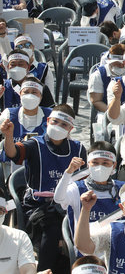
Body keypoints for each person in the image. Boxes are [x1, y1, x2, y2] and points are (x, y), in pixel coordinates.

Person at [2, 105, 86, 272]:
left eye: (64, 124)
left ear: (71, 129)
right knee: (53, 228)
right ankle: (44, 269)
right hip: (38, 205)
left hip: (67, 203)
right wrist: (8, 136)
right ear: (48, 121)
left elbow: (83, 180)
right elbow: (13, 153)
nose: (58, 126)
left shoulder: (78, 148)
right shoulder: (35, 144)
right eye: (55, 121)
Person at [53, 141, 122, 234]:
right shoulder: (76, 189)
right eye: (95, 163)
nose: (100, 167)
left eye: (105, 163)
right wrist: (68, 172)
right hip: (85, 246)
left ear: (114, 165)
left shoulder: (122, 189)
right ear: (88, 164)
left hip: (115, 246)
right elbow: (58, 198)